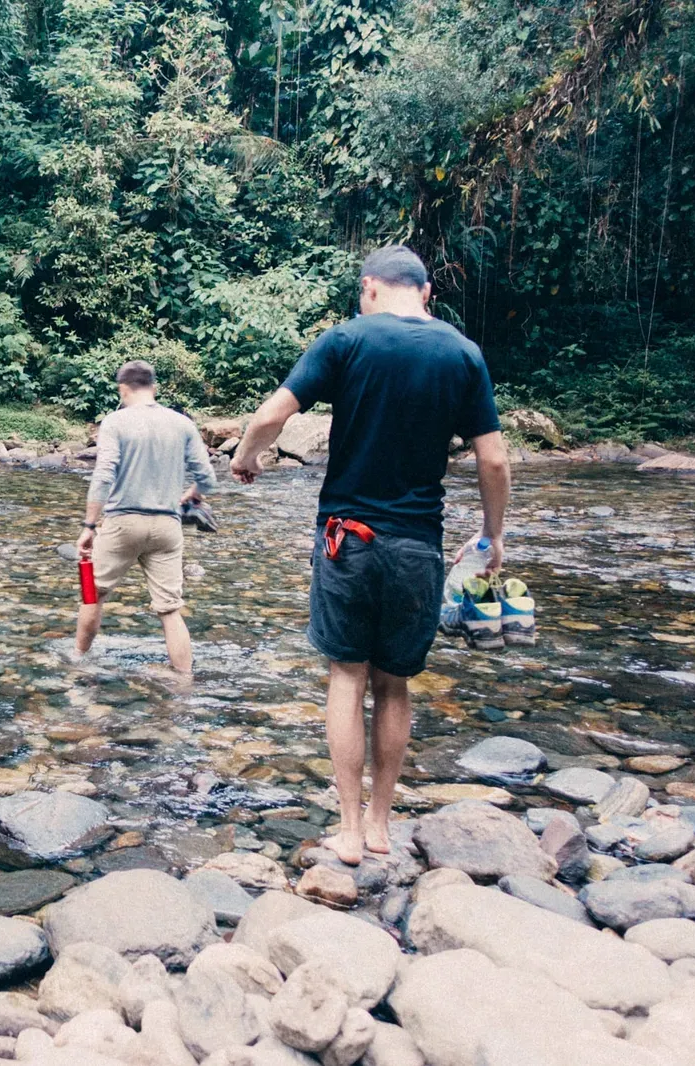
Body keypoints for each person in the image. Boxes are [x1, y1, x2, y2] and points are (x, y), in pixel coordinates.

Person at [229, 244, 510, 865]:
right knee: (394, 686)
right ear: (427, 292)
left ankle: (349, 832)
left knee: (346, 676)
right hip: (418, 544)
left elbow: (273, 414)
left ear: (369, 289)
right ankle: (383, 825)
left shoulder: (346, 339)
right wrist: (492, 538)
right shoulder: (463, 352)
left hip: (346, 540)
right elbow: (492, 459)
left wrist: (246, 457)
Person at [76, 360, 217, 675]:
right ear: (154, 388)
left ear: (122, 389)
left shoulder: (115, 422)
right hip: (167, 527)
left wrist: (89, 526)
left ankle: (77, 662)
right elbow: (207, 478)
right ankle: (184, 681)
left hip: (122, 524)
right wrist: (192, 493)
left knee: (93, 595)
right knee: (169, 609)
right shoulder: (181, 424)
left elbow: (104, 474)